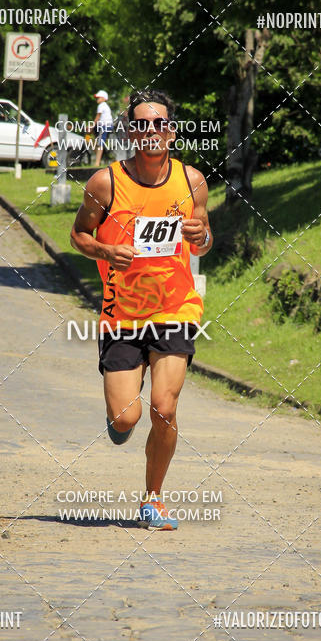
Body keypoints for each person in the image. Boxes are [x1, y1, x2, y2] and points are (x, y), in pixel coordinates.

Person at [71, 89, 212, 530]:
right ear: (131, 131)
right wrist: (107, 250)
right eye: (142, 124)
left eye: (159, 124)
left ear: (171, 131)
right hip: (123, 316)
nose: (151, 131)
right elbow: (79, 235)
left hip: (175, 309)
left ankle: (153, 500)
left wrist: (198, 236)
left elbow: (205, 239)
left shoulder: (192, 182)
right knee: (126, 416)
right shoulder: (105, 182)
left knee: (164, 409)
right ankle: (120, 422)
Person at [92, 89, 113, 167]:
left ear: (104, 98)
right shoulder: (105, 106)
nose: (97, 99)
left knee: (100, 143)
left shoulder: (101, 105)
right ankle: (100, 157)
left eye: (99, 97)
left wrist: (92, 126)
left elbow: (98, 117)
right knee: (98, 142)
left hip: (104, 126)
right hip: (107, 125)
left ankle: (97, 163)